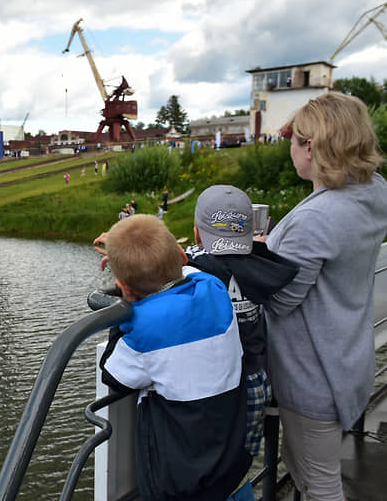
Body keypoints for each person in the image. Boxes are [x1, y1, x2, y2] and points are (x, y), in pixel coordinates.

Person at [263, 92, 387, 500]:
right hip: (346, 358)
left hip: (311, 375)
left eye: (296, 140)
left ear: (312, 147)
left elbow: (281, 300)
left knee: (318, 484)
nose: (290, 147)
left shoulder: (316, 218)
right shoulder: (373, 193)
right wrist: (279, 246)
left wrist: (255, 256)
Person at [96, 215, 251, 501]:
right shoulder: (213, 289)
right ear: (182, 256)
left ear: (125, 288)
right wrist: (129, 251)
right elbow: (187, 270)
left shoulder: (145, 330)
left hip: (186, 485)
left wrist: (125, 310)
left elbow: (112, 373)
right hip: (233, 474)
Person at [185, 185, 298, 463]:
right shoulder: (263, 264)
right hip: (255, 381)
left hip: (212, 386)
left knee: (208, 465)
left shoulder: (195, 267)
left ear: (198, 232)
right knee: (240, 463)